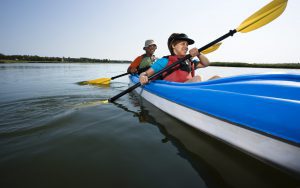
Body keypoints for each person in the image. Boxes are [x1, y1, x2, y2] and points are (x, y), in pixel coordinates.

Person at [139, 33, 217, 84]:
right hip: (174, 91)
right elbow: (145, 73)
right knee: (198, 78)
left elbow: (206, 63)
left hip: (190, 89)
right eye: (183, 44)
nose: (186, 47)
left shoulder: (189, 61)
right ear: (173, 45)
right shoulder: (164, 61)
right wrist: (142, 77)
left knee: (216, 78)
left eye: (187, 45)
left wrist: (199, 54)